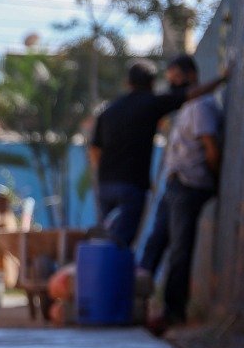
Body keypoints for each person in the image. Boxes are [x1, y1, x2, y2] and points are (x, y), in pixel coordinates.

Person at [88, 54, 226, 250]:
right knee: (119, 244)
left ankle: (99, 268)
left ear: (128, 83)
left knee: (106, 238)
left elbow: (94, 149)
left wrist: (103, 174)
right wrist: (222, 79)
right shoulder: (151, 103)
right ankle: (110, 270)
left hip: (106, 185)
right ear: (152, 83)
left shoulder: (108, 111)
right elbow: (191, 94)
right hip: (132, 186)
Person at [140, 86, 224, 331]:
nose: (171, 82)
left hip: (189, 185)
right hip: (174, 184)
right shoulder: (184, 108)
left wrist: (215, 179)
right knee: (155, 243)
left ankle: (173, 312)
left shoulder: (200, 106)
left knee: (179, 250)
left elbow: (210, 147)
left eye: (176, 76)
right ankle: (136, 302)